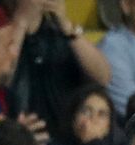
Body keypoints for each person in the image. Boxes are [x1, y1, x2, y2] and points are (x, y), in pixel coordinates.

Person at [8, 0, 112, 133]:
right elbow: (1, 75)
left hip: (68, 134)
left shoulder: (59, 29)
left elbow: (103, 77)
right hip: (18, 134)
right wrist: (21, 21)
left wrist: (67, 27)